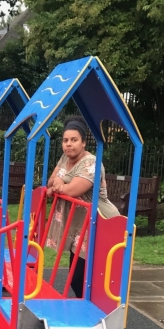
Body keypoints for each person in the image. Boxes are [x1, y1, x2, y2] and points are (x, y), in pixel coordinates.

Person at [46, 116, 120, 299]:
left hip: (100, 221)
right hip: (80, 225)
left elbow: (72, 190)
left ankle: (92, 309)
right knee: (76, 276)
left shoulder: (91, 163)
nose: (68, 144)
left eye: (74, 140)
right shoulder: (65, 157)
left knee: (84, 277)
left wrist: (59, 184)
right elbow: (51, 181)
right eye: (65, 140)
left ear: (84, 142)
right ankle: (85, 307)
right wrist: (57, 182)